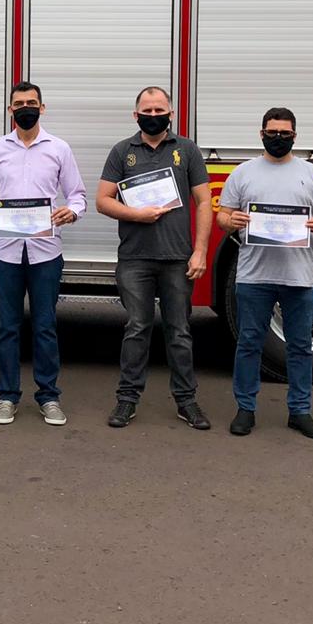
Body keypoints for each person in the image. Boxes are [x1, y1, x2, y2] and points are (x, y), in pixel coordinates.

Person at [216, 107, 313, 439]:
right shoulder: (243, 173)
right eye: (272, 133)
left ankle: (300, 411)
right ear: (261, 134)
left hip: (300, 277)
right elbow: (222, 215)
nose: (278, 138)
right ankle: (245, 409)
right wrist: (231, 221)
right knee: (249, 343)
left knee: (300, 347)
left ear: (295, 136)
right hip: (254, 276)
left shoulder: (312, 174)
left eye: (285, 134)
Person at [96, 86, 214, 430]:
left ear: (171, 114)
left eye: (159, 110)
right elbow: (102, 200)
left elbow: (204, 202)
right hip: (134, 259)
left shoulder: (187, 150)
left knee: (179, 332)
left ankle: (187, 401)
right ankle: (127, 399)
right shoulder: (122, 151)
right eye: (146, 111)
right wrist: (137, 214)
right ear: (136, 115)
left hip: (177, 258)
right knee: (137, 329)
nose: (153, 116)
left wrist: (200, 250)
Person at [0, 81, 86, 426]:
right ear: (10, 110)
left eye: (32, 103)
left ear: (42, 107)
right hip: (6, 253)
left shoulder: (59, 149)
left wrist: (72, 212)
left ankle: (48, 396)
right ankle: (7, 396)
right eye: (19, 103)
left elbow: (78, 195)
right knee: (7, 327)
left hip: (46, 253)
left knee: (45, 326)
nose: (26, 108)